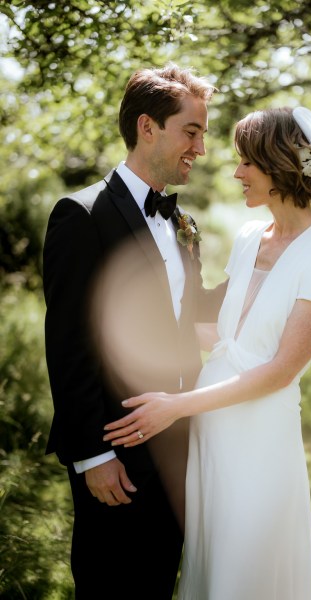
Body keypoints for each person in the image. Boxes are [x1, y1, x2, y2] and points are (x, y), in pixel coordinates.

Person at [104, 107, 311, 599]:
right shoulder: (247, 239)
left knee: (246, 569)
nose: (236, 173)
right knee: (210, 564)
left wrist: (174, 407)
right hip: (210, 432)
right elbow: (219, 334)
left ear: (280, 164)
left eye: (247, 163)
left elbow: (280, 370)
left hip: (259, 435)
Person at [42, 63, 226, 599]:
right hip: (115, 450)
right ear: (148, 127)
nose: (201, 148)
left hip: (178, 441)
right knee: (110, 585)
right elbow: (69, 343)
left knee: (157, 581)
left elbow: (190, 315)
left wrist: (270, 262)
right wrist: (92, 455)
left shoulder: (180, 223)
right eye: (191, 132)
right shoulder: (81, 215)